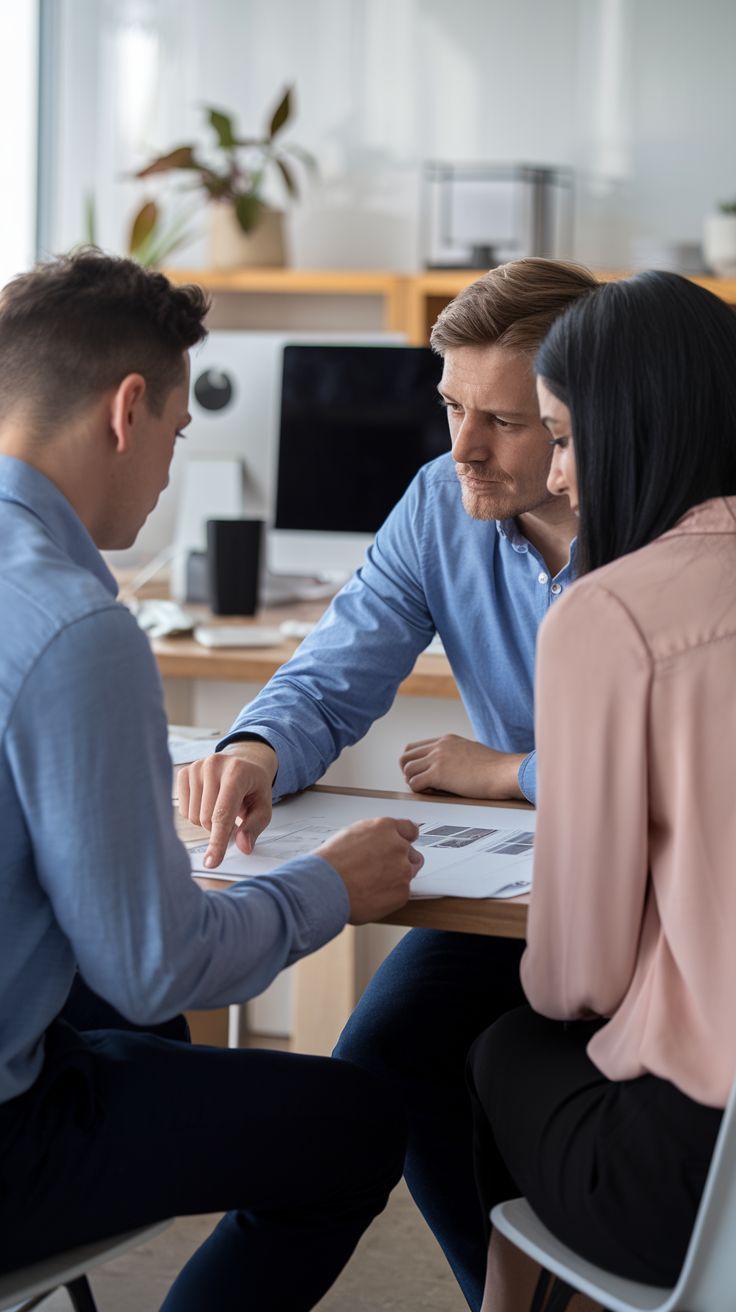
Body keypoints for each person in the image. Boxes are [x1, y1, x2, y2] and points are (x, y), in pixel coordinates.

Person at [0, 250, 426, 1311]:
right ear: (127, 408)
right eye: (179, 437)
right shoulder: (76, 625)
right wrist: (333, 884)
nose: (169, 470)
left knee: (141, 1031)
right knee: (357, 1120)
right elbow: (154, 962)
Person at [178, 257, 599, 1307]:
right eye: (452, 404)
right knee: (379, 1073)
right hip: (511, 892)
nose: (461, 445)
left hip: (660, 890)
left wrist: (510, 771)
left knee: (543, 1097)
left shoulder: (675, 530)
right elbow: (333, 673)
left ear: (576, 417)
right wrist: (259, 750)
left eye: (501, 420)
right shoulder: (435, 503)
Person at [468, 270, 736, 1311]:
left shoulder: (608, 614)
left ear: (635, 433)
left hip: (696, 1177)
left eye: (566, 438)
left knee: (501, 1042)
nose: (565, 478)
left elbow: (572, 977)